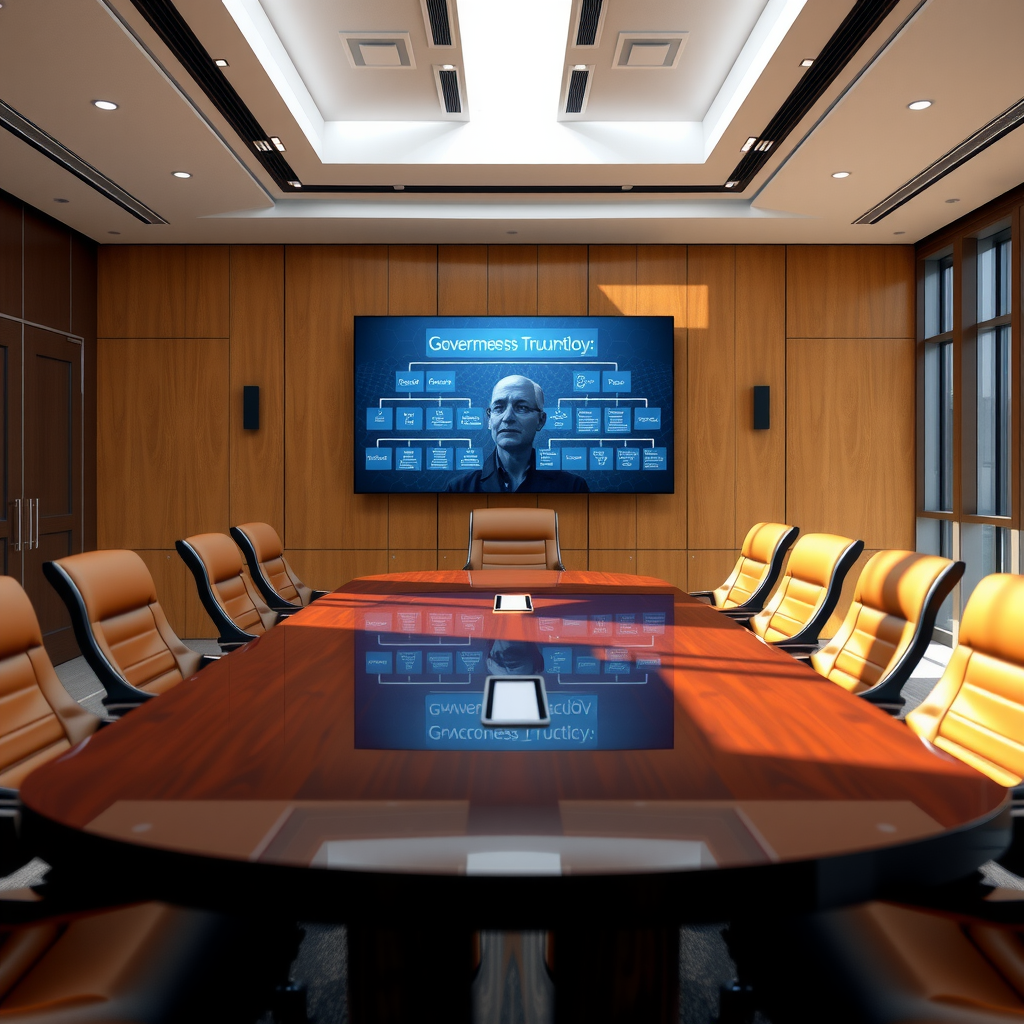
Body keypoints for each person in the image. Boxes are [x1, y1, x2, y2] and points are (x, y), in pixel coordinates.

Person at [446, 375, 589, 493]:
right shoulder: (459, 488)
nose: (508, 417)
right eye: (499, 408)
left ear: (541, 420)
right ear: (489, 419)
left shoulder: (573, 488)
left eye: (522, 407)